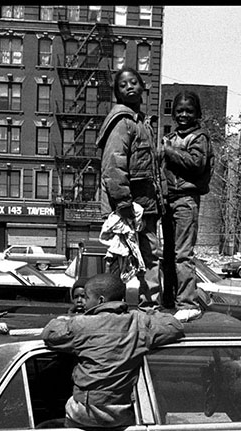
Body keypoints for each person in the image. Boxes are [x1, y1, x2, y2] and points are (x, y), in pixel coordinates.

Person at [41, 272, 184, 431]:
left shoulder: (81, 325)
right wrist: (149, 312)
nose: (85, 304)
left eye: (87, 298)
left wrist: (63, 320)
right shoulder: (138, 322)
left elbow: (50, 334)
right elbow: (174, 326)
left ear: (100, 300)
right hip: (121, 413)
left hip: (84, 411)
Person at [96, 67, 162, 309]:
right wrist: (123, 202)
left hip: (145, 204)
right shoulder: (122, 122)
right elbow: (113, 164)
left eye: (134, 82)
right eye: (123, 85)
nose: (129, 87)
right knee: (119, 257)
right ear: (117, 93)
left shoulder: (142, 123)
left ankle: (150, 307)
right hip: (125, 207)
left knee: (150, 256)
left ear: (143, 86)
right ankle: (110, 307)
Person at [160, 90, 213, 323]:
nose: (183, 115)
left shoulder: (199, 137)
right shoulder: (170, 137)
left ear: (197, 114)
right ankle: (169, 299)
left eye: (189, 111)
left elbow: (196, 163)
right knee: (168, 254)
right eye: (179, 111)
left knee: (183, 254)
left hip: (186, 199)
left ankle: (188, 303)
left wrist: (168, 151)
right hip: (168, 199)